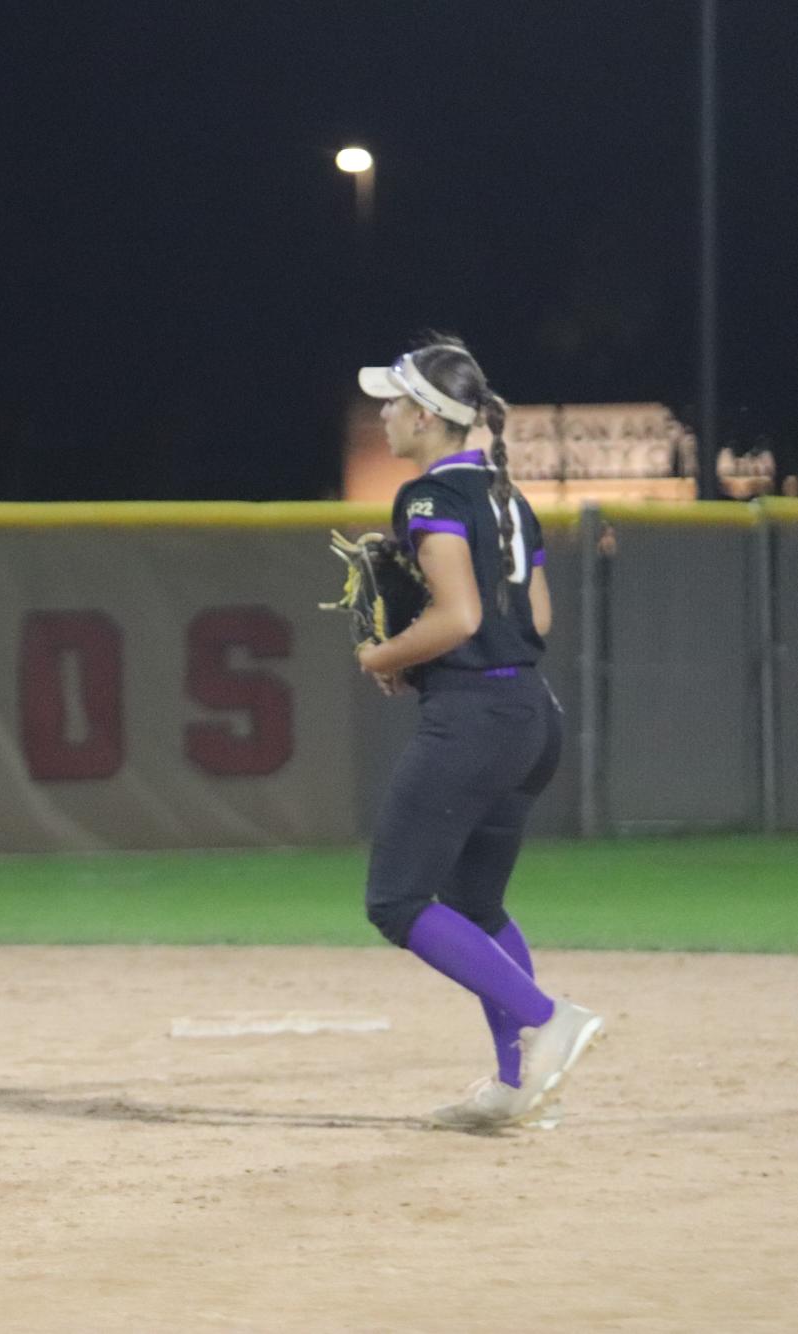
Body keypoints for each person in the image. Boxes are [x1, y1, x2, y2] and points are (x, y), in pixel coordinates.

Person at [353, 338, 605, 1130]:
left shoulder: (426, 497)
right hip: (529, 715)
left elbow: (458, 617)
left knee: (396, 901)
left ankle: (547, 1017)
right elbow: (533, 619)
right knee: (474, 900)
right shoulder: (506, 498)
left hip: (471, 720)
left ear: (427, 416)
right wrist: (430, 657)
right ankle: (511, 1087)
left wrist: (381, 655)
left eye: (393, 401)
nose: (384, 413)